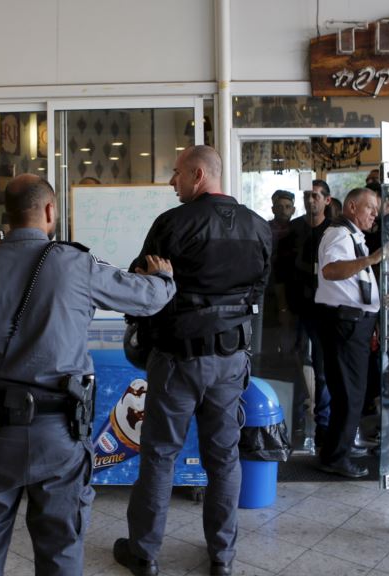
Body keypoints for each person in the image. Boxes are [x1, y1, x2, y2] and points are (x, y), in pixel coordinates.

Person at [0, 174, 175, 575]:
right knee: (60, 549)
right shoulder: (76, 264)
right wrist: (163, 278)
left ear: (7, 214)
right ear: (50, 211)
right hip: (61, 436)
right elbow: (148, 299)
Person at [113, 146, 271, 576]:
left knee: (160, 456)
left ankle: (143, 554)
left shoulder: (173, 224)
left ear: (198, 175)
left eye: (176, 173)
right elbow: (258, 294)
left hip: (177, 361)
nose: (172, 181)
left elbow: (139, 286)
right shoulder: (259, 228)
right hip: (231, 360)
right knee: (224, 459)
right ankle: (222, 557)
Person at [314, 187, 381, 479]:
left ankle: (337, 448)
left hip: (354, 323)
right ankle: (335, 458)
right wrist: (371, 260)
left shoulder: (350, 234)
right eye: (370, 208)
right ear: (352, 207)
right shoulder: (338, 234)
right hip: (345, 323)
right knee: (350, 395)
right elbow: (331, 271)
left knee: (350, 393)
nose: (374, 215)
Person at [280, 180, 333, 443]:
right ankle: (297, 418)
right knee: (293, 364)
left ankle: (323, 422)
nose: (310, 201)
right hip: (296, 307)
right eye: (306, 196)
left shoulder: (334, 230)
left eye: (314, 196)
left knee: (323, 369)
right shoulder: (295, 228)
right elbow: (281, 270)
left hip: (324, 310)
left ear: (327, 200)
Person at [259, 189, 295, 372]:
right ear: (273, 209)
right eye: (279, 207)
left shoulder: (298, 229)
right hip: (270, 290)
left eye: (288, 207)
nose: (283, 210)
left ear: (294, 209)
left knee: (292, 346)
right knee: (269, 341)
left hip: (294, 290)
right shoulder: (265, 229)